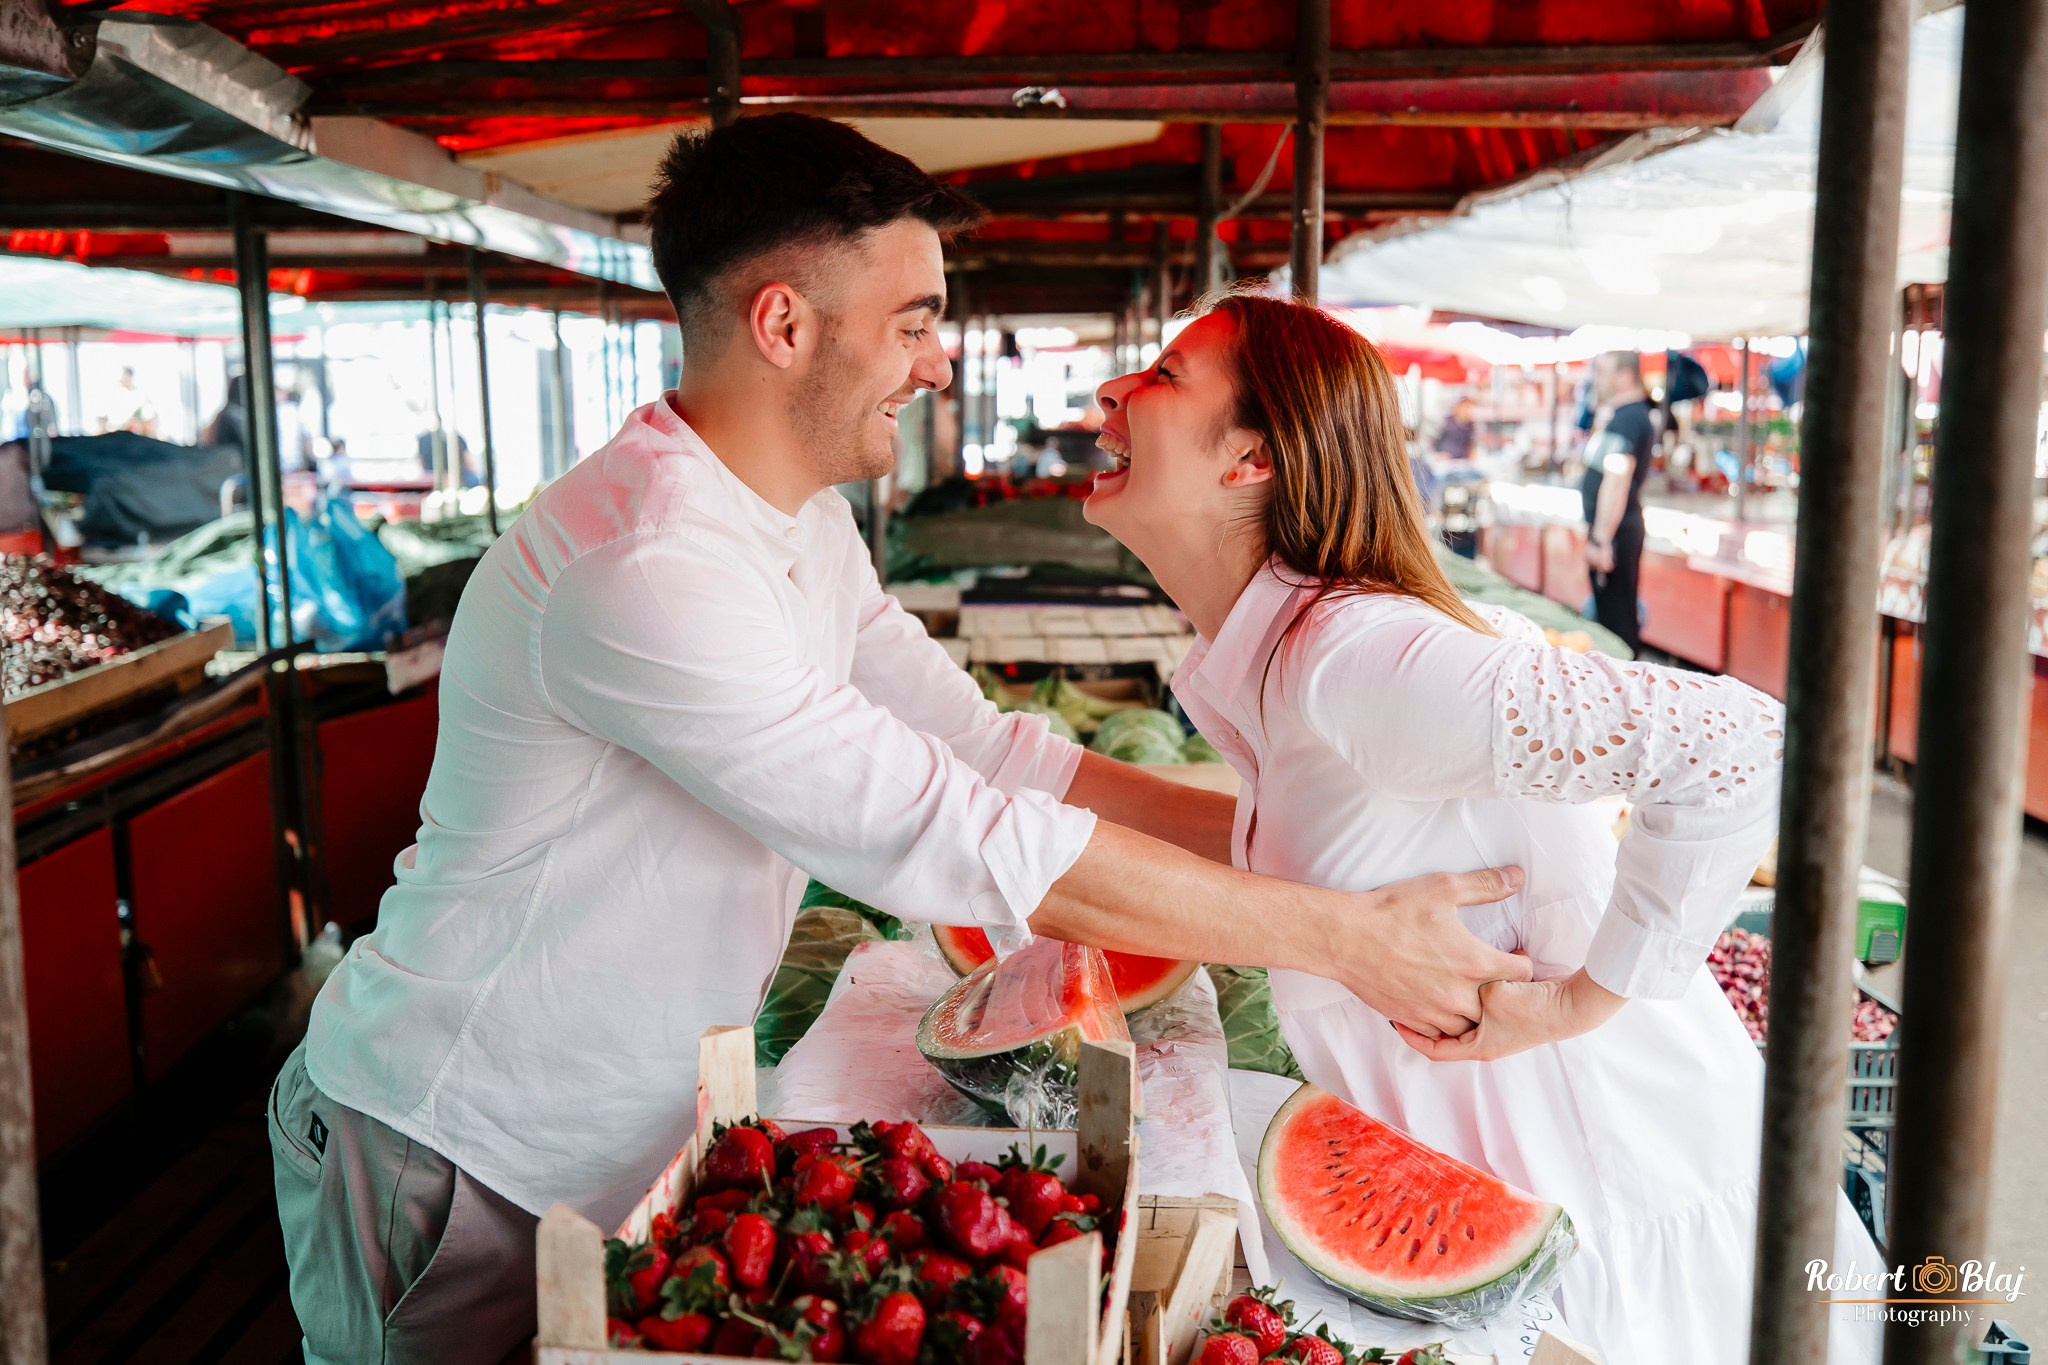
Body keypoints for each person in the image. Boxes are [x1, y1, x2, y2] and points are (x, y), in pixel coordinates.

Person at [269, 115, 1532, 1365]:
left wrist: (1296, 849)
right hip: (462, 1148)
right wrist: (1343, 936)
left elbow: (993, 754)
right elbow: (951, 832)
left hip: (631, 1143)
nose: (936, 366)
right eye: (914, 323)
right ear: (782, 325)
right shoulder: (646, 562)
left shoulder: (798, 525)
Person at [1080, 293, 1881, 1365]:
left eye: (1164, 376)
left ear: (1250, 459)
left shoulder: (1352, 657)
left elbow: (1737, 744)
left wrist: (1578, 999)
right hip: (1486, 1207)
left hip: (1609, 1213)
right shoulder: (1277, 659)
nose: (1111, 390)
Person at [1579, 351, 1654, 653]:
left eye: (1603, 372)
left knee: (1617, 625)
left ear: (1625, 376)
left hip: (1616, 534)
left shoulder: (1631, 418)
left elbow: (1617, 480)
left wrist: (1601, 539)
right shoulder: (1621, 417)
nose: (1597, 380)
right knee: (1609, 617)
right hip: (1613, 532)